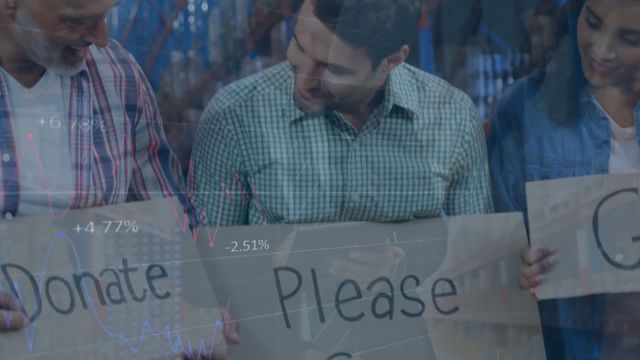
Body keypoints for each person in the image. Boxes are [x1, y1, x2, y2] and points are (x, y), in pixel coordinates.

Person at [0, 0, 238, 358]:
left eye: (105, 16)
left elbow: (169, 217)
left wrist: (206, 303)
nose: (100, 38)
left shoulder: (118, 73)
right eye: (76, 21)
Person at [489, 0, 640, 358]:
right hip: (564, 343)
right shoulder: (525, 107)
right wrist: (514, 264)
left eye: (629, 38)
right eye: (592, 22)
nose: (600, 49)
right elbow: (491, 248)